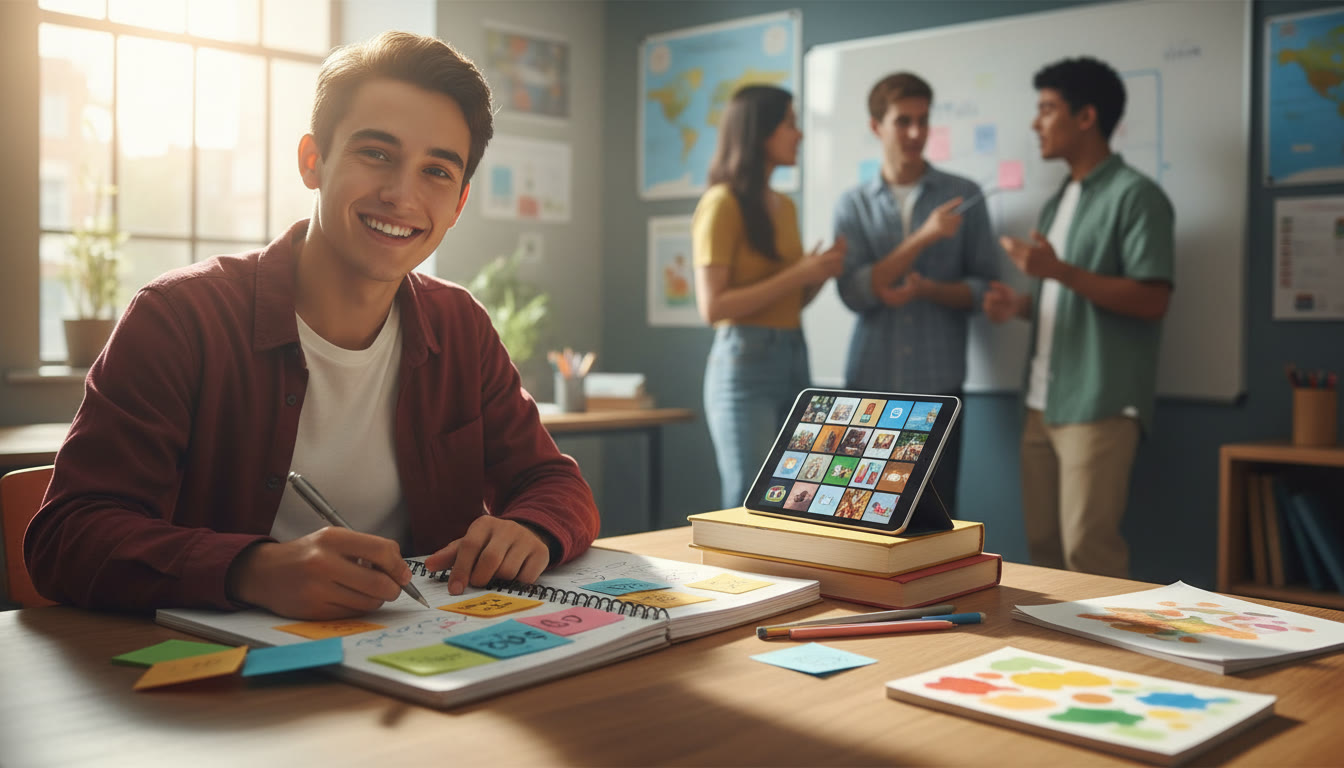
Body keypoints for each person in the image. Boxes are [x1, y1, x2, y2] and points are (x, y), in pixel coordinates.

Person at [25, 31, 600, 620]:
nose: (401, 194)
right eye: (376, 154)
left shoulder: (460, 326)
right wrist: (251, 569)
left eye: (436, 171)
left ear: (457, 204)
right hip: (220, 682)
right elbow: (68, 536)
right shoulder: (179, 317)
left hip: (419, 663)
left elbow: (553, 483)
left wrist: (532, 528)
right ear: (312, 161)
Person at [982, 57, 1174, 578]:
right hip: (1041, 403)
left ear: (1086, 116)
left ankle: (1118, 659)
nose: (1035, 123)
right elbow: (1068, 300)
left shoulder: (1137, 197)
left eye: (1046, 109)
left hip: (1100, 402)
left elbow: (1152, 299)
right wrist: (1020, 304)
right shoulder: (1057, 201)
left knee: (1089, 554)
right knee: (1044, 553)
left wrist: (1058, 271)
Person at [831, 72, 999, 516]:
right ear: (876, 126)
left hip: (938, 387)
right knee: (857, 514)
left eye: (923, 120)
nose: (915, 133)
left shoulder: (964, 195)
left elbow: (986, 291)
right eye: (903, 120)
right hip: (868, 388)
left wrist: (933, 290)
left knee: (936, 519)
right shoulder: (853, 204)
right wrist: (924, 238)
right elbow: (854, 291)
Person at [693, 85, 846, 509]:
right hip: (745, 366)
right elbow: (714, 307)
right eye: (790, 124)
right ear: (761, 131)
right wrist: (798, 273)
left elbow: (787, 303)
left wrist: (818, 275)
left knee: (797, 496)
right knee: (750, 498)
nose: (799, 135)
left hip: (795, 356)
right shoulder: (720, 204)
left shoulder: (785, 207)